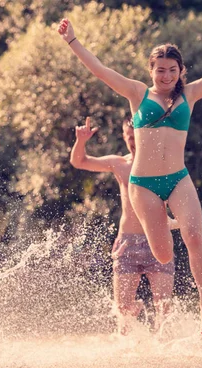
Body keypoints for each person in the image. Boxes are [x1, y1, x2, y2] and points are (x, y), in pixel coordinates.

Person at [58, 15, 202, 333]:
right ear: (151, 70)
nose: (166, 75)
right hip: (143, 185)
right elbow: (100, 70)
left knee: (195, 236)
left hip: (178, 178)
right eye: (160, 69)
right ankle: (170, 223)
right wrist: (73, 40)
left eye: (172, 70)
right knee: (163, 252)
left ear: (180, 71)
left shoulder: (191, 94)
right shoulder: (137, 94)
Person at [71, 117, 178, 334]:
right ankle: (129, 352)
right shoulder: (120, 164)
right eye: (129, 137)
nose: (132, 141)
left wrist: (177, 223)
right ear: (123, 136)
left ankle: (164, 354)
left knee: (163, 308)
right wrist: (81, 140)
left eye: (136, 137)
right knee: (122, 310)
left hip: (158, 242)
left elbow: (179, 200)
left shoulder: (164, 164)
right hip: (128, 243)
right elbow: (79, 161)